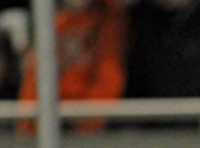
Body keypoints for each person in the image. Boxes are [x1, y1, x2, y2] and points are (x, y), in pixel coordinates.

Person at [18, 0, 126, 135]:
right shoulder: (49, 21)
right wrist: (28, 127)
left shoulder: (109, 20)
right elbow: (35, 77)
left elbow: (110, 74)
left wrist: (89, 121)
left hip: (92, 125)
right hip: (53, 120)